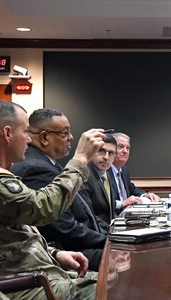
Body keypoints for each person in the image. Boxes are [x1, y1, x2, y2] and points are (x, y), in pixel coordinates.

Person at [0, 100, 105, 299]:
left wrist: (54, 254)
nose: (28, 139)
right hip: (16, 285)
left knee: (118, 279)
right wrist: (80, 160)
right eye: (25, 132)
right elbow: (39, 210)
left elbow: (9, 234)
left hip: (36, 273)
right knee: (118, 288)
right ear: (8, 134)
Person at [10, 108, 106, 272]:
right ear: (44, 137)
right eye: (65, 133)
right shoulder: (36, 168)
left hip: (79, 246)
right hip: (70, 253)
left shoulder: (48, 163)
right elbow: (64, 228)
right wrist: (108, 241)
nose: (71, 137)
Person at [109, 132, 160, 214]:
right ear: (111, 149)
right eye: (121, 147)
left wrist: (145, 195)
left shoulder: (124, 170)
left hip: (127, 215)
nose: (125, 151)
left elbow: (131, 189)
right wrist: (122, 203)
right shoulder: (104, 172)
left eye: (128, 148)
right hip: (112, 218)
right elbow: (101, 203)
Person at [80, 133, 118, 230]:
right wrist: (113, 230)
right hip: (95, 236)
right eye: (101, 151)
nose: (106, 157)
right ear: (92, 151)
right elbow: (88, 217)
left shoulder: (106, 173)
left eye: (111, 153)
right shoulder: (84, 176)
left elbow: (109, 211)